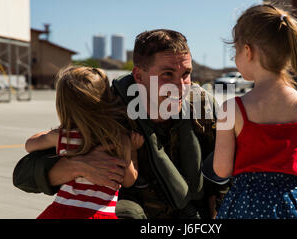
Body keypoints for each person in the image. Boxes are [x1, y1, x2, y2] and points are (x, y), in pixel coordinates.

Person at [13, 29, 231, 219]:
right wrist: (76, 165)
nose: (180, 86)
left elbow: (228, 170)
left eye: (186, 74)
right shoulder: (108, 109)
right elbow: (23, 175)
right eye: (167, 74)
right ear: (139, 75)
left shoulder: (203, 105)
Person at [212, 3, 297, 219]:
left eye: (235, 51)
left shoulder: (232, 109)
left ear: (248, 51)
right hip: (293, 204)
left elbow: (222, 169)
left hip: (244, 206)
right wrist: (291, 196)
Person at [24, 66, 143, 219]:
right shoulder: (119, 140)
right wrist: (133, 151)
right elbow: (129, 180)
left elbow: (30, 145)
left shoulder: (64, 136)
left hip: (62, 211)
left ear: (64, 106)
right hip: (100, 212)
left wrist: (52, 132)